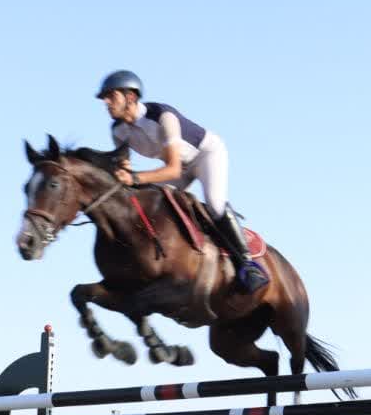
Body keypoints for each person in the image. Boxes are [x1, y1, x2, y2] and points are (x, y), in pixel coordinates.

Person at [97, 70, 268, 293]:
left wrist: (136, 178)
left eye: (112, 97)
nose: (107, 103)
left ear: (130, 97)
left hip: (205, 155)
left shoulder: (162, 116)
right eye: (105, 99)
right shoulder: (118, 131)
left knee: (215, 203)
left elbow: (172, 168)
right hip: (177, 168)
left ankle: (247, 264)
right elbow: (126, 169)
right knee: (145, 203)